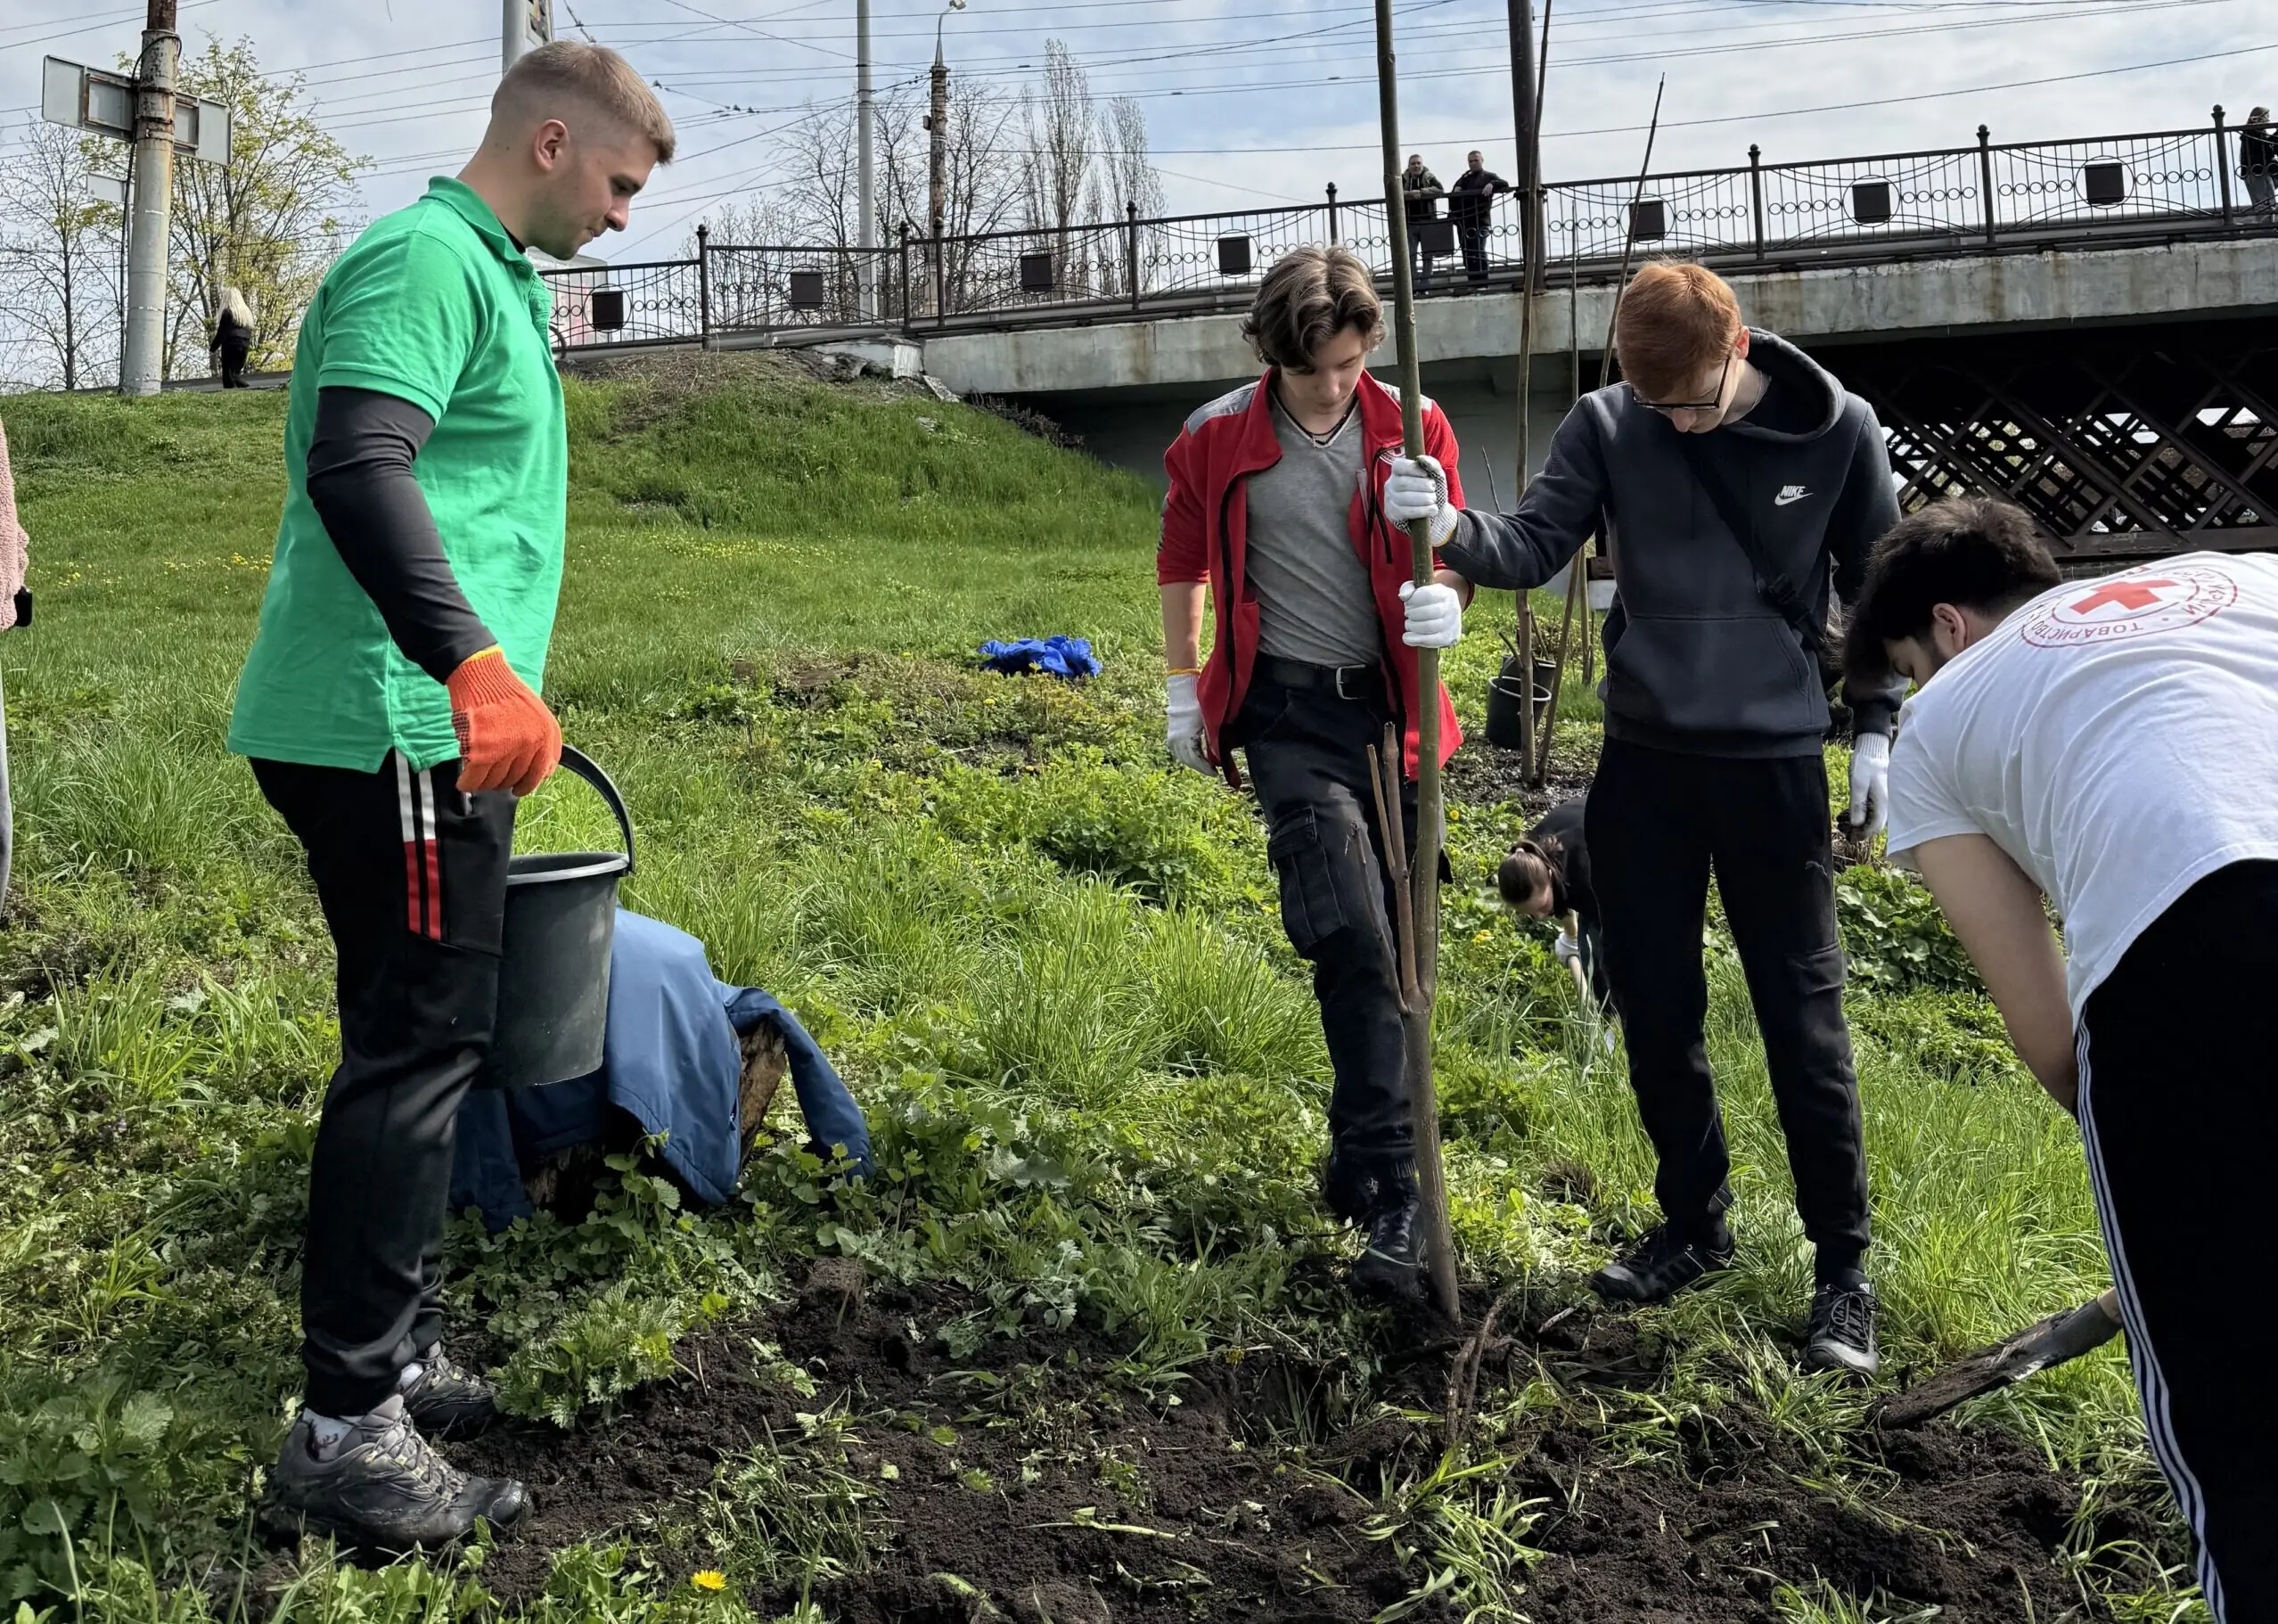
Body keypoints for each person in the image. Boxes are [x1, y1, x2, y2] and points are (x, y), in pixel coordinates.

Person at [225, 41, 674, 1552]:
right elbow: (364, 464)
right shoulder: (422, 260)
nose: (622, 217)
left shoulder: (488, 273)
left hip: (423, 725)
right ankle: (346, 1425)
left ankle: (394, 1349)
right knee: (418, 1051)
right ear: (551, 141)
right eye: (616, 183)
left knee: (409, 1037)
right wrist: (473, 666)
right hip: (399, 727)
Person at [1381, 260, 1900, 1376]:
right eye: (1657, 404)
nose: (1677, 422)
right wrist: (1450, 524)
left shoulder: (1841, 431)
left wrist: (1876, 727)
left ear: (1740, 345)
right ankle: (1693, 1222)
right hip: (1646, 762)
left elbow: (1880, 592)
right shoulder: (1606, 425)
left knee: (1800, 1017)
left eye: (1695, 402)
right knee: (1654, 1006)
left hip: (1770, 765)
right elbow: (1531, 544)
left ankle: (1842, 1270)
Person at [1849, 497, 2278, 1624]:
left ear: (1947, 627)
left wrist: (2173, 1202)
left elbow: (2049, 1034)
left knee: (2242, 1423)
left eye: (1903, 662)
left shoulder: (1943, 719)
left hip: (2192, 958)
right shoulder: (2245, 579)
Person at [1159, 245, 1470, 1305]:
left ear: (1370, 344)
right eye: (1309, 373)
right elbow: (1183, 559)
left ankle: (1356, 1156)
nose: (1331, 389)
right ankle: (1395, 1189)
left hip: (1394, 714)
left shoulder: (1414, 427)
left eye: (1347, 366)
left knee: (1404, 946)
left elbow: (1455, 542)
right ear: (1269, 356)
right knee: (1349, 928)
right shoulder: (1214, 438)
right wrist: (1176, 686)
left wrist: (1448, 581)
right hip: (1287, 711)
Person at [1496, 798, 1608, 1005]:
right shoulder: (1529, 854)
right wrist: (1570, 937)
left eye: (1541, 907)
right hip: (1589, 824)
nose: (1538, 917)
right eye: (1530, 913)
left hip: (1641, 845)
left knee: (1597, 952)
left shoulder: (1588, 879)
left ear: (1549, 874)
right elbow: (1559, 897)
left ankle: (1612, 1018)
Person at [1446, 151, 1512, 288]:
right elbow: (1453, 198)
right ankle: (1473, 282)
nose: (1473, 163)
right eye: (1470, 161)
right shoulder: (1464, 178)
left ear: (1482, 160)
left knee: (1479, 250)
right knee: (1467, 252)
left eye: (1476, 160)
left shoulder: (1488, 176)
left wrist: (1492, 184)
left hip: (1480, 220)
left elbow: (1505, 184)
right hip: (1464, 220)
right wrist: (1455, 193)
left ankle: (1483, 282)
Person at [1401, 154, 1446, 292]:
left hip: (1428, 222)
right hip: (1410, 222)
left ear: (1422, 164)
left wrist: (1423, 191)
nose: (1416, 166)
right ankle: (1413, 286)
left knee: (1428, 256)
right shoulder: (1403, 178)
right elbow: (1395, 193)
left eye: (1418, 163)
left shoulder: (1428, 177)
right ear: (1409, 165)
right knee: (1410, 256)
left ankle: (1425, 285)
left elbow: (1440, 190)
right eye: (1413, 163)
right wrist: (1410, 194)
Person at [209, 286, 255, 388]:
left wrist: (213, 348)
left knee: (228, 376)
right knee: (235, 373)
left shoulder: (228, 313)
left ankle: (234, 390)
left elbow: (222, 333)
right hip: (244, 344)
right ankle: (241, 387)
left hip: (231, 344)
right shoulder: (246, 314)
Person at [2240, 107, 2274, 214]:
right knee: (2265, 206)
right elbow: (2265, 150)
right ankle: (2268, 228)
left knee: (2264, 205)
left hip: (2255, 172)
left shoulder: (2251, 132)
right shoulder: (2253, 133)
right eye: (2266, 117)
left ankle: (2269, 226)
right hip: (2257, 172)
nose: (2268, 120)